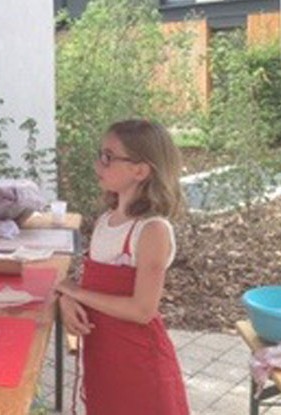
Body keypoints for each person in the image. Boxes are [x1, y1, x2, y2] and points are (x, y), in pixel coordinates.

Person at [55, 119, 190, 415]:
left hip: (139, 365)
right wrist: (68, 300)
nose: (97, 165)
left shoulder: (151, 230)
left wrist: (76, 292)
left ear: (140, 171)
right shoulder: (108, 220)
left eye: (108, 157)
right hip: (103, 356)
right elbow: (91, 285)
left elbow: (143, 310)